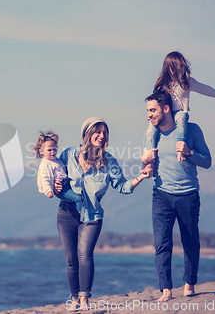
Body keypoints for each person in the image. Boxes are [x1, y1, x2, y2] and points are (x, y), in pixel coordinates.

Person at [54, 118, 153, 311]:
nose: (101, 136)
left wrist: (141, 176)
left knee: (84, 255)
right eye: (97, 131)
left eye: (104, 132)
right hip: (66, 212)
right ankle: (74, 299)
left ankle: (84, 300)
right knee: (71, 259)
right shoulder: (68, 154)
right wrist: (54, 185)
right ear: (87, 134)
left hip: (91, 216)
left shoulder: (109, 162)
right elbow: (54, 174)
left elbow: (123, 187)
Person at [142, 91, 212, 302]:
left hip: (188, 195)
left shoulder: (192, 130)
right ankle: (166, 290)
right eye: (147, 111)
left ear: (166, 109)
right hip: (161, 195)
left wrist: (189, 152)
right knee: (162, 243)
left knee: (190, 241)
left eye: (152, 110)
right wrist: (144, 161)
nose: (149, 116)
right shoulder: (152, 134)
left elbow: (207, 161)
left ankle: (189, 285)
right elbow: (148, 166)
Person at [144, 51, 215, 163]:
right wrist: (153, 115)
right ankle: (148, 154)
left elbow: (204, 89)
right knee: (150, 130)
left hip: (179, 111)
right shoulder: (162, 82)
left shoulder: (187, 82)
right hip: (165, 113)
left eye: (183, 65)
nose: (182, 68)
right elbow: (156, 99)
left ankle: (180, 147)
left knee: (182, 118)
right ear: (170, 68)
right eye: (178, 66)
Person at [34, 130, 84, 211]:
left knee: (82, 195)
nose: (53, 152)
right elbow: (44, 178)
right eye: (49, 150)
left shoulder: (55, 160)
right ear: (41, 151)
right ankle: (83, 216)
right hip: (61, 189)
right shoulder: (45, 164)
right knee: (78, 199)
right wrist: (48, 191)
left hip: (66, 183)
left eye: (54, 149)